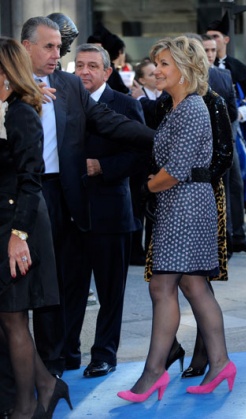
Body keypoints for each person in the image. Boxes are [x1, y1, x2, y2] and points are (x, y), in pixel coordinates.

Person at [20, 16, 154, 377]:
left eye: (58, 46)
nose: (57, 53)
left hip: (62, 196)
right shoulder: (8, 85)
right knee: (24, 293)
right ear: (26, 47)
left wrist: (158, 138)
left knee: (56, 286)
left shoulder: (67, 86)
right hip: (18, 197)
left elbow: (109, 122)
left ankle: (54, 365)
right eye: (49, 46)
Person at [117, 36, 234, 403]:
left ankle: (154, 373)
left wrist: (148, 187)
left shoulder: (192, 107)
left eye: (165, 64)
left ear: (186, 68)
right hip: (183, 204)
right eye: (157, 63)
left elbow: (177, 169)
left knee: (161, 287)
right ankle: (220, 363)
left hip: (183, 206)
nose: (157, 70)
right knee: (192, 286)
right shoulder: (180, 107)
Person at [0, 36, 72, 419]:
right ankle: (47, 385)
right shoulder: (2, 110)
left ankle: (28, 407)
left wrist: (18, 236)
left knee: (14, 317)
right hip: (5, 224)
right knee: (7, 316)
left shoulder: (21, 112)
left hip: (20, 225)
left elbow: (31, 179)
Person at [66, 43, 147, 378]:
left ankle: (104, 354)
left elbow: (141, 153)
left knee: (110, 291)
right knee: (69, 288)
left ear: (107, 72)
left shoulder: (125, 104)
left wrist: (104, 166)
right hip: (70, 214)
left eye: (91, 66)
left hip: (111, 213)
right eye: (79, 65)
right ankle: (66, 353)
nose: (84, 72)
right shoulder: (62, 102)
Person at [207, 14, 246, 251]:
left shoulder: (232, 70)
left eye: (215, 41)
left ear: (225, 40)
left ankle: (237, 236)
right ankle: (225, 239)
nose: (211, 49)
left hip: (233, 135)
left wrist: (245, 110)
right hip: (210, 140)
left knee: (236, 185)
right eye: (207, 44)